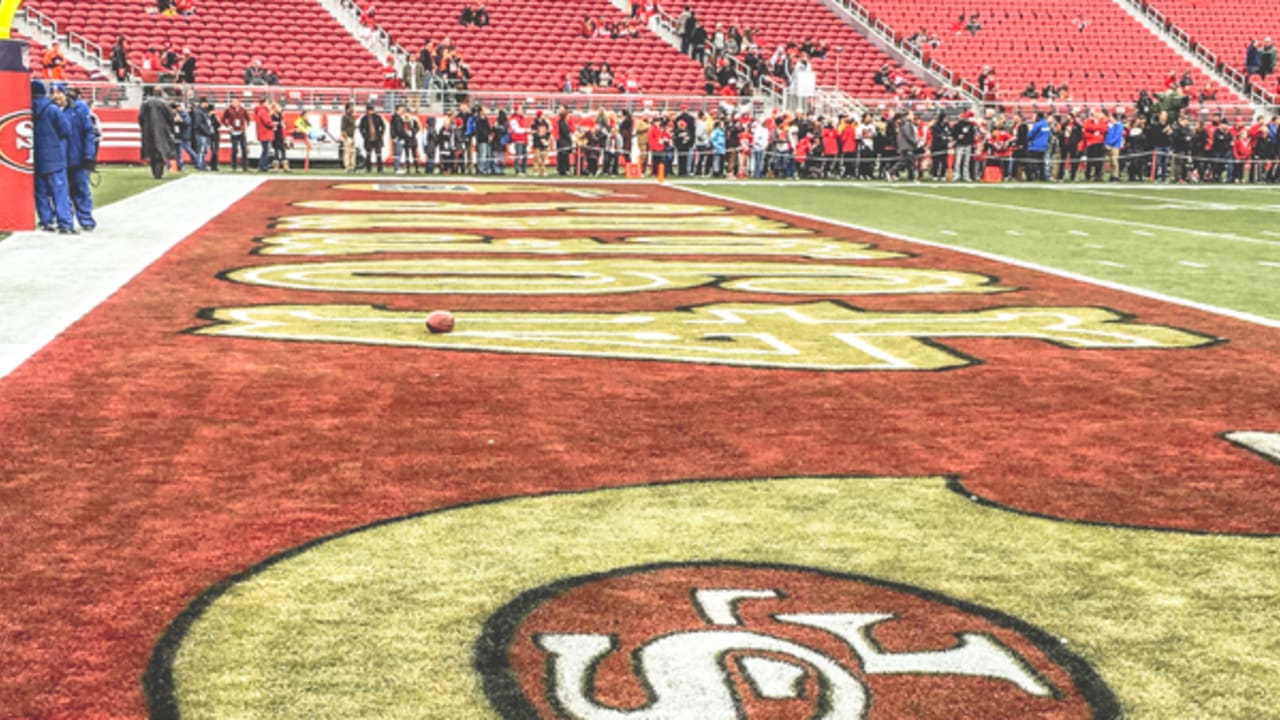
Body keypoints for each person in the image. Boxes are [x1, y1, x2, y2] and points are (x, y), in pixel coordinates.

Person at [32, 81, 75, 233]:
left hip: (33, 158)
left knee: (40, 192)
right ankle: (65, 223)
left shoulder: (24, 110)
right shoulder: (52, 109)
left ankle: (46, 221)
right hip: (54, 156)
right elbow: (66, 130)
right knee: (60, 191)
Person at [61, 87, 98, 231]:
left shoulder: (80, 109)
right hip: (61, 158)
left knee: (81, 188)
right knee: (62, 191)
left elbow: (89, 133)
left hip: (77, 156)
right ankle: (66, 220)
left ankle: (86, 219)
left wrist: (89, 155)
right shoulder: (54, 108)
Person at [138, 95, 176, 179]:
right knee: (161, 152)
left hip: (148, 131)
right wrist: (171, 129)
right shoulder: (164, 104)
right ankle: (160, 172)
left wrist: (144, 127)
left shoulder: (145, 104)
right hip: (162, 131)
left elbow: (140, 117)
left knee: (152, 153)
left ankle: (156, 172)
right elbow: (170, 117)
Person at [220, 97, 250, 171]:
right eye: (233, 102)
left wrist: (246, 125)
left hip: (241, 131)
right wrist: (228, 126)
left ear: (239, 102)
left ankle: (245, 166)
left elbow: (248, 118)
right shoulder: (228, 109)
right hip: (233, 132)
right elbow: (223, 119)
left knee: (244, 148)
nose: (234, 103)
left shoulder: (243, 109)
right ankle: (234, 166)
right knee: (234, 149)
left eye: (236, 102)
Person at [358, 103, 387, 173]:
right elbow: (361, 128)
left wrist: (381, 134)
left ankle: (380, 169)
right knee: (368, 154)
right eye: (370, 110)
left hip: (377, 138)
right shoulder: (364, 118)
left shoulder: (378, 117)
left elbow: (383, 126)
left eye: (372, 110)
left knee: (378, 154)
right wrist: (364, 136)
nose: (371, 111)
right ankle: (368, 169)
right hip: (368, 139)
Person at [253, 96, 276, 172]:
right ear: (264, 103)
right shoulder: (263, 111)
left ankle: (262, 166)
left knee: (265, 150)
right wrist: (274, 124)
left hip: (262, 133)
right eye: (267, 103)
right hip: (265, 133)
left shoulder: (260, 111)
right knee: (266, 150)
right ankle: (263, 166)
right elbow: (267, 122)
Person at [340, 102, 357, 173]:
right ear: (347, 109)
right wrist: (346, 137)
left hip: (352, 136)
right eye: (351, 107)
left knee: (353, 152)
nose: (353, 109)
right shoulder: (344, 117)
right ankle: (348, 167)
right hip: (348, 137)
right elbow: (343, 128)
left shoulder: (352, 117)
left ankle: (353, 167)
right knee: (347, 152)